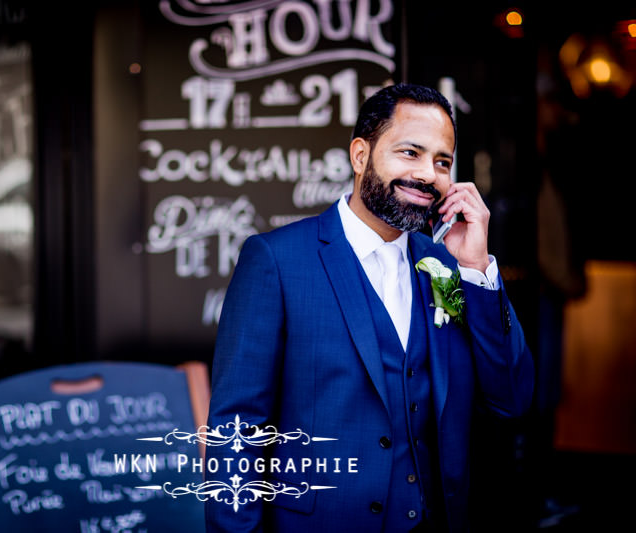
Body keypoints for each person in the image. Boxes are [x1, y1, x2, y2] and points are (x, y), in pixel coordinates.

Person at [204, 83, 534, 532]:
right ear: (361, 156)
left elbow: (510, 399)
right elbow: (237, 432)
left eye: (442, 161)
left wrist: (476, 268)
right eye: (410, 152)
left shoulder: (445, 266)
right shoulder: (277, 261)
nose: (428, 174)